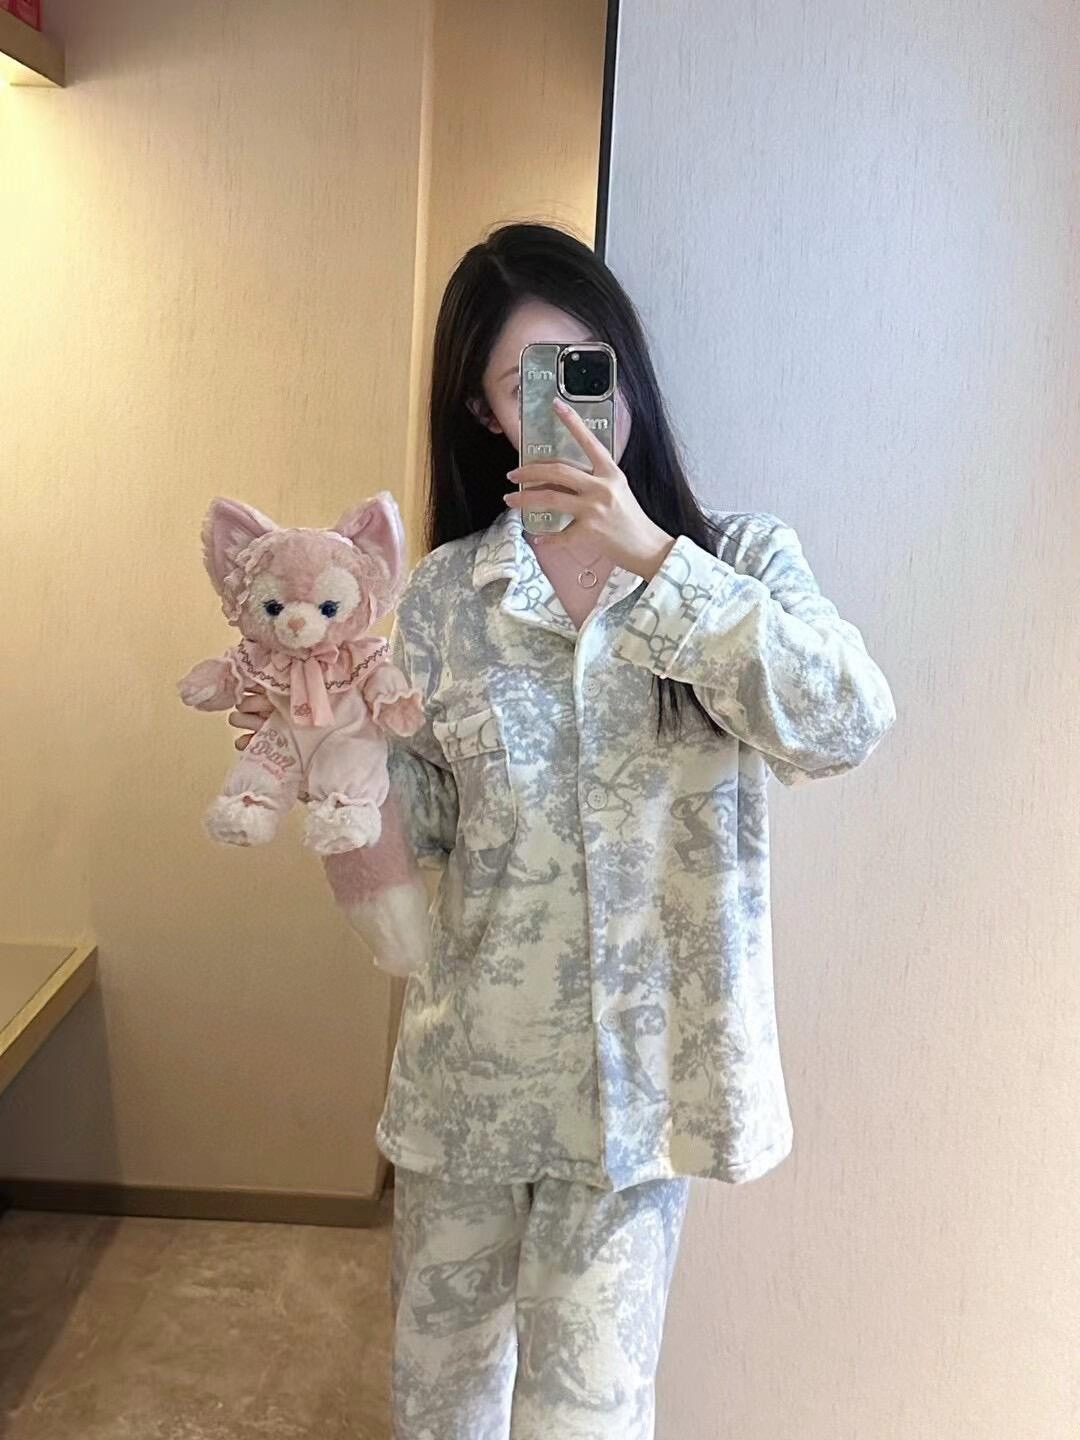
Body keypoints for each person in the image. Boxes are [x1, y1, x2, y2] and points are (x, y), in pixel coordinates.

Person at [229, 222, 897, 1439]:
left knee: (583, 1421)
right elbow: (426, 843)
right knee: (440, 1408)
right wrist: (336, 759)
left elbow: (845, 721)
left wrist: (653, 556)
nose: (577, 400)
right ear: (487, 412)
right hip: (468, 1086)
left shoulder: (739, 559)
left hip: (637, 1108)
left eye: (593, 363)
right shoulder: (443, 597)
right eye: (531, 378)